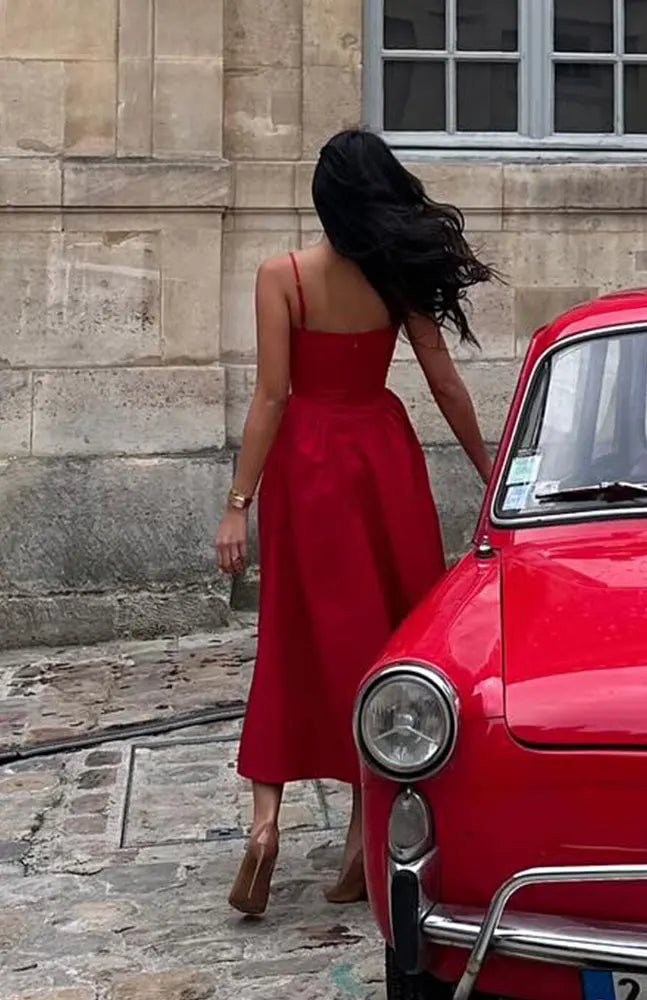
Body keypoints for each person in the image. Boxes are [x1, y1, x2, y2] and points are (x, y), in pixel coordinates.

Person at [215, 128, 495, 917]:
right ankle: (361, 840)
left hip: (308, 466)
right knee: (386, 640)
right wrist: (489, 469)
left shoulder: (283, 277)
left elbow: (272, 396)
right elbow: (443, 384)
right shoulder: (396, 276)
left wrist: (237, 502)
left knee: (292, 632)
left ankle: (265, 825)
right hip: (381, 455)